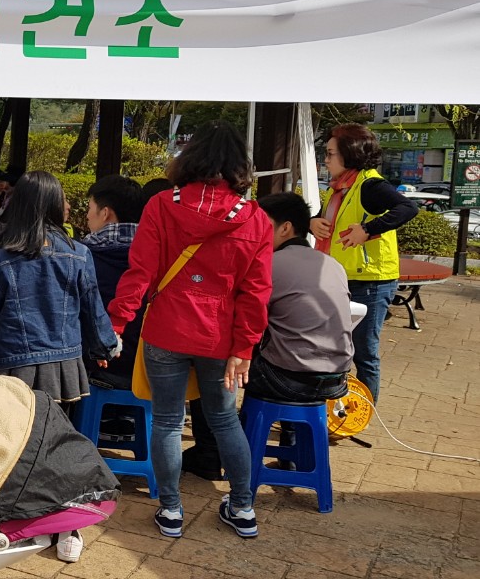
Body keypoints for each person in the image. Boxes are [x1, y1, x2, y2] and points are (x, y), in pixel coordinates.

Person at [107, 121, 272, 540]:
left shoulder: (162, 204)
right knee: (224, 420)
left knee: (165, 422)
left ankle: (171, 511)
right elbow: (256, 293)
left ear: (190, 157)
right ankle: (242, 508)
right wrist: (245, 347)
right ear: (240, 165)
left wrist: (117, 323)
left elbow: (139, 273)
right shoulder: (255, 219)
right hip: (221, 337)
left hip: (166, 328)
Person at [0, 170, 118, 563]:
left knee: (10, 449)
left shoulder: (0, 259)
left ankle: (10, 525)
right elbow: (93, 314)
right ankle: (68, 528)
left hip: (11, 369)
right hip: (64, 367)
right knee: (58, 448)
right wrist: (105, 346)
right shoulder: (78, 254)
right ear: (54, 206)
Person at [185, 192, 355, 479]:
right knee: (289, 350)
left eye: (262, 225)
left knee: (209, 365)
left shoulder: (270, 265)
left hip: (288, 380)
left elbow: (239, 316)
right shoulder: (331, 265)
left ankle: (209, 453)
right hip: (335, 380)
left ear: (285, 228)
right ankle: (294, 455)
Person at [311, 124, 418, 403]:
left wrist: (368, 229)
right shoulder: (339, 188)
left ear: (350, 154)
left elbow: (408, 208)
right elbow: (322, 219)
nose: (326, 159)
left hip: (371, 281)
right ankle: (338, 410)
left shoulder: (370, 184)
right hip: (339, 278)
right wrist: (312, 222)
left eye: (330, 153)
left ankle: (362, 414)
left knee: (364, 351)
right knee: (336, 348)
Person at [79, 175, 146, 441]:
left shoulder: (83, 256)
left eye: (89, 209)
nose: (87, 217)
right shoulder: (160, 258)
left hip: (98, 365)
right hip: (150, 368)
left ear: (105, 213)